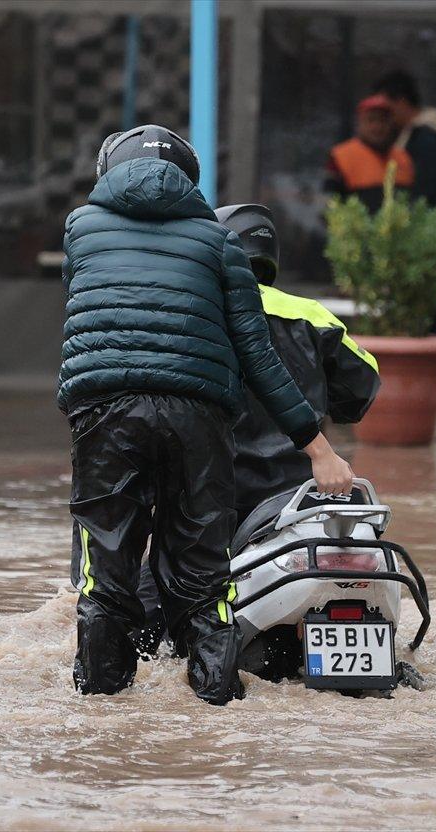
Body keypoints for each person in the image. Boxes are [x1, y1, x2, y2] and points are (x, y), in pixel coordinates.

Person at [60, 124, 355, 705]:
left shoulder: (80, 229)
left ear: (108, 173)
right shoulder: (217, 243)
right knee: (204, 581)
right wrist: (319, 448)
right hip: (198, 420)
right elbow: (257, 354)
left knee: (106, 576)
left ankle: (99, 721)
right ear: (191, 180)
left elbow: (83, 325)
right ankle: (216, 712)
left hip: (106, 417)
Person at [135, 203, 381, 655]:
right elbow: (364, 382)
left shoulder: (196, 314)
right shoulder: (313, 315)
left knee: (147, 620)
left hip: (213, 496)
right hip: (301, 498)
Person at [374, 70, 436, 204]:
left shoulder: (426, 138)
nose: (384, 115)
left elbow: (427, 191)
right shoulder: (413, 134)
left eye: (386, 108)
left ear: (401, 102)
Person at [324, 94, 415, 212]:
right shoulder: (340, 156)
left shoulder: (403, 157)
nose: (377, 126)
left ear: (391, 124)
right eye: (371, 120)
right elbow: (329, 204)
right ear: (359, 123)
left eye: (383, 120)